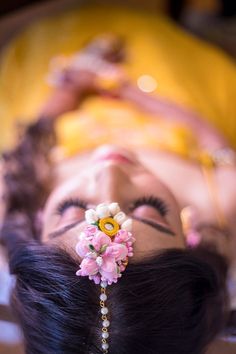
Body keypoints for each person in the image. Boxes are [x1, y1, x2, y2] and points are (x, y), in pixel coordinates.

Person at [0, 5, 236, 354]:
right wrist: (134, 92)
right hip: (167, 98)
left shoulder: (12, 212)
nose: (108, 168)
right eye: (150, 209)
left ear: (37, 228)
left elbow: (27, 144)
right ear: (189, 238)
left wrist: (66, 93)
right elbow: (216, 145)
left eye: (70, 210)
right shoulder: (222, 207)